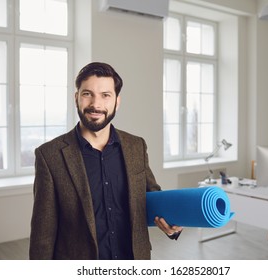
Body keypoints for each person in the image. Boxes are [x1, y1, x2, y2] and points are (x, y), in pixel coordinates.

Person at [29, 62, 182, 260]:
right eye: (87, 94)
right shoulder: (49, 155)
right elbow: (43, 233)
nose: (96, 104)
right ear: (76, 98)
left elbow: (151, 197)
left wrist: (174, 223)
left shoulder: (136, 146)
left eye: (105, 95)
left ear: (117, 101)